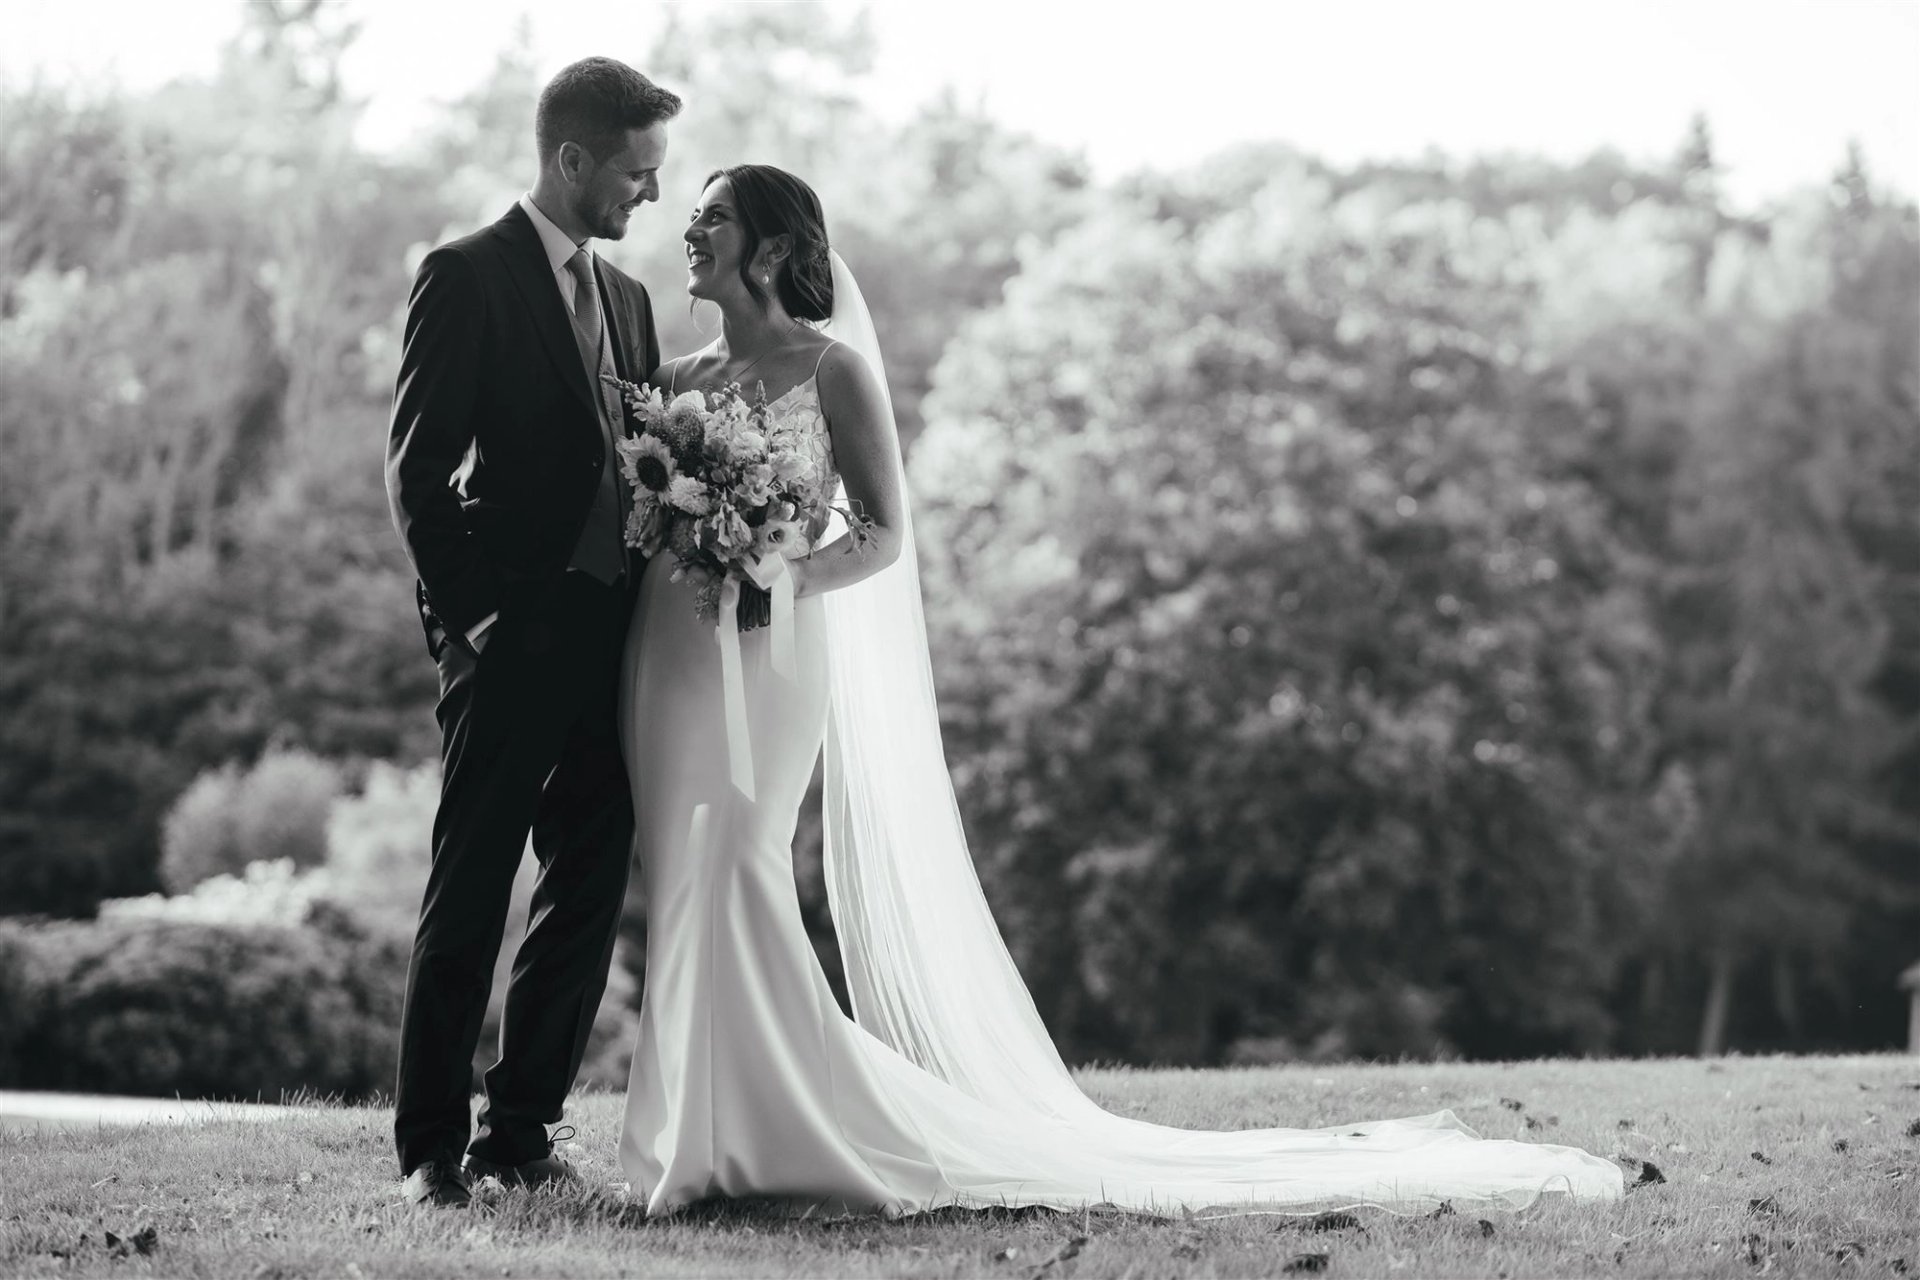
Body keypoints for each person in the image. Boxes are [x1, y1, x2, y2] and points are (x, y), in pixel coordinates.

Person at [614, 164, 1627, 1216]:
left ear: (771, 248)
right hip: (671, 655)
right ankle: (694, 1135)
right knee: (681, 873)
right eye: (692, 214)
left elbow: (880, 533)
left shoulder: (832, 371)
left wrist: (781, 571)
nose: (690, 229)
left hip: (773, 656)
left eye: (714, 216)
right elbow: (640, 512)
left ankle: (784, 1130)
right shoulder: (679, 377)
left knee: (740, 856)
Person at [384, 56, 679, 1209]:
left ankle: (522, 1128)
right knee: (472, 883)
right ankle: (429, 1147)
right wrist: (481, 616)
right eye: (636, 171)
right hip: (507, 637)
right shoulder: (464, 275)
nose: (650, 193)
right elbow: (417, 472)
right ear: (572, 160)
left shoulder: (632, 300)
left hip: (617, 640)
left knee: (587, 887)